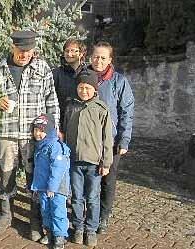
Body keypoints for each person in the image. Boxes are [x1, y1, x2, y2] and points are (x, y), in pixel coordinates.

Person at [0, 30, 60, 241]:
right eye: (21, 51)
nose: (25, 55)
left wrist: (52, 132)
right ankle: (5, 214)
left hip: (33, 136)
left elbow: (51, 101)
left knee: (34, 178)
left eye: (29, 51)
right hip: (7, 133)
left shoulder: (42, 68)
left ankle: (35, 221)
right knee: (6, 175)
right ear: (13, 47)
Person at [62, 70, 113, 247]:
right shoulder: (70, 106)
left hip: (94, 163)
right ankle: (78, 227)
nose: (84, 91)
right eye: (81, 87)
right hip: (74, 161)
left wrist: (106, 162)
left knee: (92, 197)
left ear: (95, 89)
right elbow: (64, 131)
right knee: (76, 197)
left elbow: (108, 138)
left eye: (88, 88)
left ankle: (91, 229)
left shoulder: (101, 109)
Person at [88, 41, 134, 234]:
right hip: (87, 141)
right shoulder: (83, 77)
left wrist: (124, 140)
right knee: (87, 179)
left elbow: (126, 111)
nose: (99, 61)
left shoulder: (118, 81)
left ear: (110, 60)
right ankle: (87, 214)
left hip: (110, 141)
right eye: (96, 57)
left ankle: (103, 216)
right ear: (91, 57)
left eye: (103, 58)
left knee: (108, 180)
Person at [30, 114, 70, 249]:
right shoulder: (39, 146)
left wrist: (52, 187)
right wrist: (36, 187)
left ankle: (60, 236)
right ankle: (49, 232)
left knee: (58, 210)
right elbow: (38, 170)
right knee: (45, 209)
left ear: (50, 131)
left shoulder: (55, 146)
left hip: (57, 188)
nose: (38, 134)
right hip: (43, 187)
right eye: (36, 130)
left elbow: (58, 168)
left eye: (42, 131)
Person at [53, 38, 87, 125]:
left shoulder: (87, 74)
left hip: (83, 123)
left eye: (73, 51)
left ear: (81, 53)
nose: (69, 54)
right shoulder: (56, 73)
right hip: (62, 122)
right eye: (66, 51)